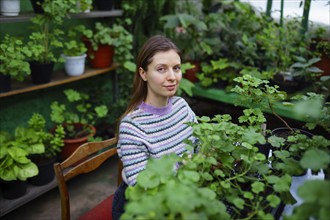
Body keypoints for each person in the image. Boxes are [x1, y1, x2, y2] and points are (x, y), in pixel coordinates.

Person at [112, 35, 197, 220]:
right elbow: (143, 187)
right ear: (143, 74)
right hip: (140, 206)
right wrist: (186, 166)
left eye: (176, 68)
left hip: (180, 193)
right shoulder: (131, 126)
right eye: (161, 69)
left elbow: (199, 145)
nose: (172, 77)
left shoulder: (182, 106)